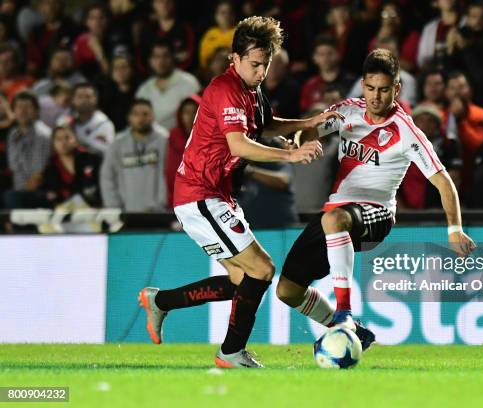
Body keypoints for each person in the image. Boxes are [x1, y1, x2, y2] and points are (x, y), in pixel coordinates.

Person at [137, 16, 340, 369]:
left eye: (266, 64)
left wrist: (308, 123)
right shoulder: (225, 89)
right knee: (262, 269)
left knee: (242, 281)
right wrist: (291, 154)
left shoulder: (251, 90)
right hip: (199, 194)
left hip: (215, 195)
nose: (261, 71)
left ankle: (161, 301)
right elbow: (240, 144)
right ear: (234, 58)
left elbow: (267, 124)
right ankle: (230, 352)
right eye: (254, 63)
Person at [275, 49, 476, 344]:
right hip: (338, 211)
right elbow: (310, 130)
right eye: (370, 88)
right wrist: (298, 142)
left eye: (384, 90)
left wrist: (455, 228)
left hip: (377, 213)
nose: (376, 96)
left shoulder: (407, 132)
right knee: (287, 291)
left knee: (334, 220)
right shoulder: (347, 111)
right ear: (363, 85)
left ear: (396, 89)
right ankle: (352, 331)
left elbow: (443, 181)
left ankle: (343, 314)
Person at [99, 98, 168, 212]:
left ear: (153, 116)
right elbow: (107, 176)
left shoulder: (165, 140)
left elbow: (170, 175)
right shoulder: (117, 143)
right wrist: (114, 207)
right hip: (126, 212)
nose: (141, 118)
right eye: (136, 114)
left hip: (159, 211)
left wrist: (163, 203)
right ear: (129, 117)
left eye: (145, 114)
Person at [135, 41, 201, 130]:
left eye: (165, 56)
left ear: (173, 58)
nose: (161, 61)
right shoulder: (143, 90)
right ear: (150, 61)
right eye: (156, 57)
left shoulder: (189, 83)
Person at [39, 125, 102, 208]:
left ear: (76, 140)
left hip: (93, 209)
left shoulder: (92, 160)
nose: (63, 142)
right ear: (53, 144)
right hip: (63, 212)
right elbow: (49, 193)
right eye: (59, 139)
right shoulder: (50, 166)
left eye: (67, 138)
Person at [57, 82, 115, 155]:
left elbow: (107, 152)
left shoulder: (104, 124)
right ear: (73, 100)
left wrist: (78, 143)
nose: (84, 100)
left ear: (96, 99)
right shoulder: (63, 121)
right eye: (80, 97)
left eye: (88, 97)